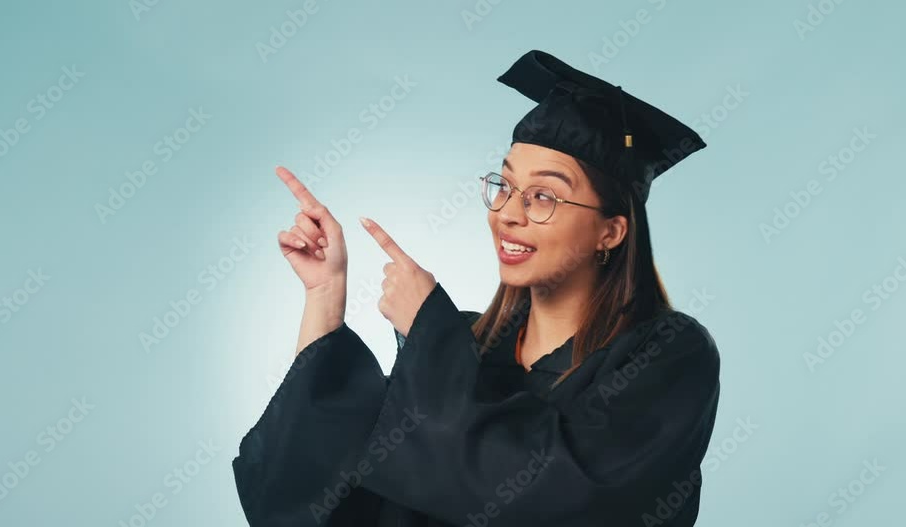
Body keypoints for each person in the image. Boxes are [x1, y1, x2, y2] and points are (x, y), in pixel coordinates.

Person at [232, 50, 721, 527]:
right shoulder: (468, 344)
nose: (507, 213)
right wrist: (324, 296)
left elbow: (563, 497)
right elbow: (316, 494)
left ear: (611, 232)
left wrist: (430, 334)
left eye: (543, 196)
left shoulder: (666, 353)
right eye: (504, 186)